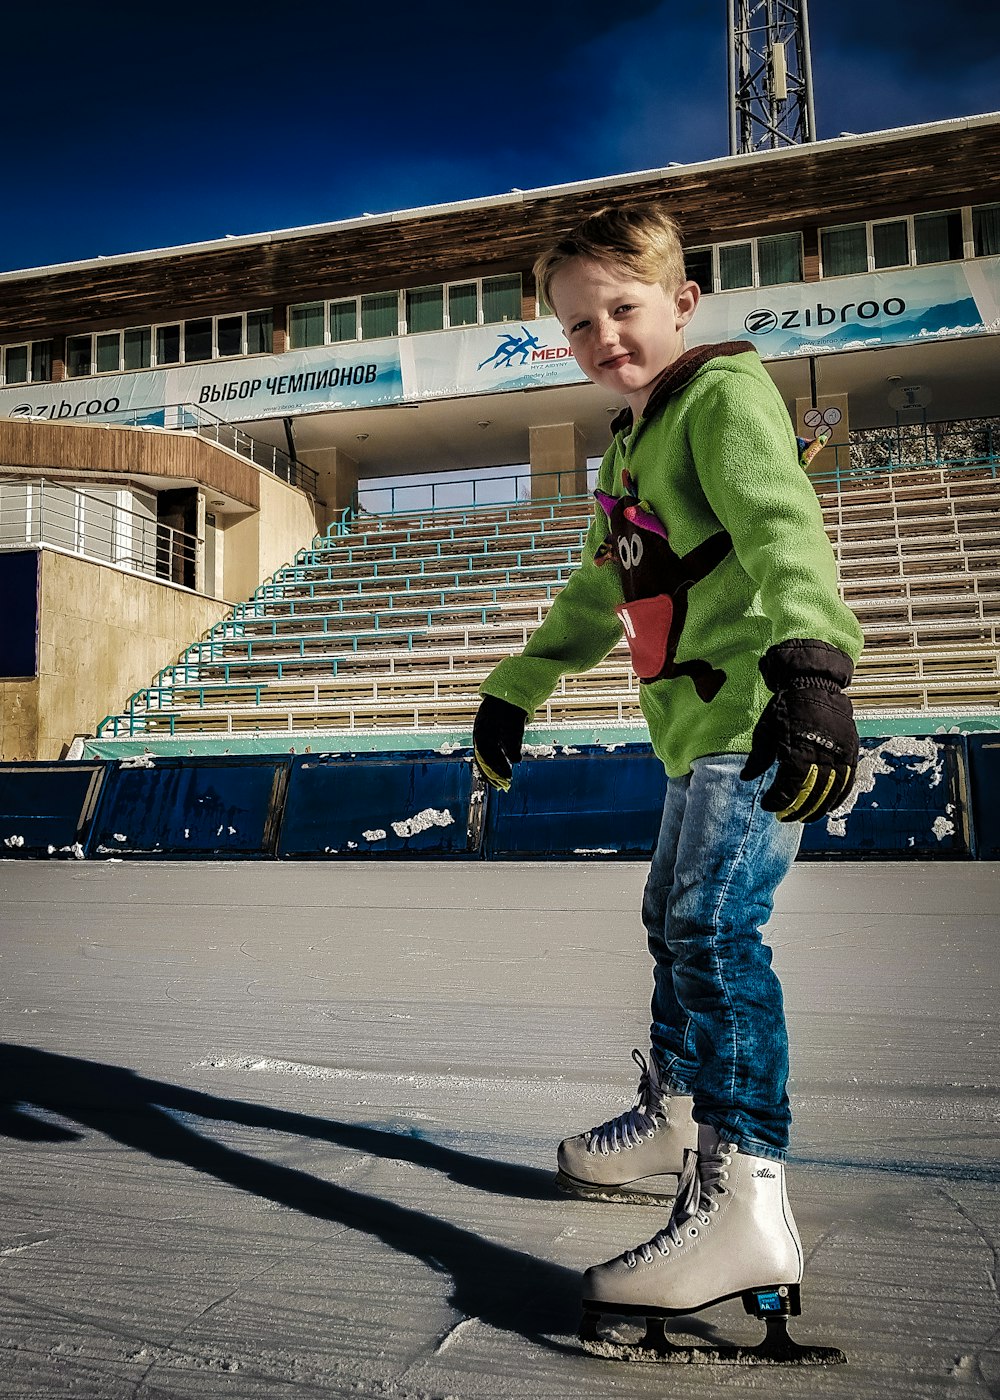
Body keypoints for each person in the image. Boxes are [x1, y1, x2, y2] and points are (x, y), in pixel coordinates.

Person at [471, 204, 863, 1327]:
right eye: (578, 324)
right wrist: (519, 682)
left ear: (682, 301)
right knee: (671, 920)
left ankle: (745, 1201)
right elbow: (604, 588)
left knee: (712, 932)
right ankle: (679, 1114)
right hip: (694, 732)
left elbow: (785, 529)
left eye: (623, 309)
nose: (603, 338)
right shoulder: (632, 442)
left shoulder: (723, 396)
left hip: (755, 715)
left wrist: (813, 673)